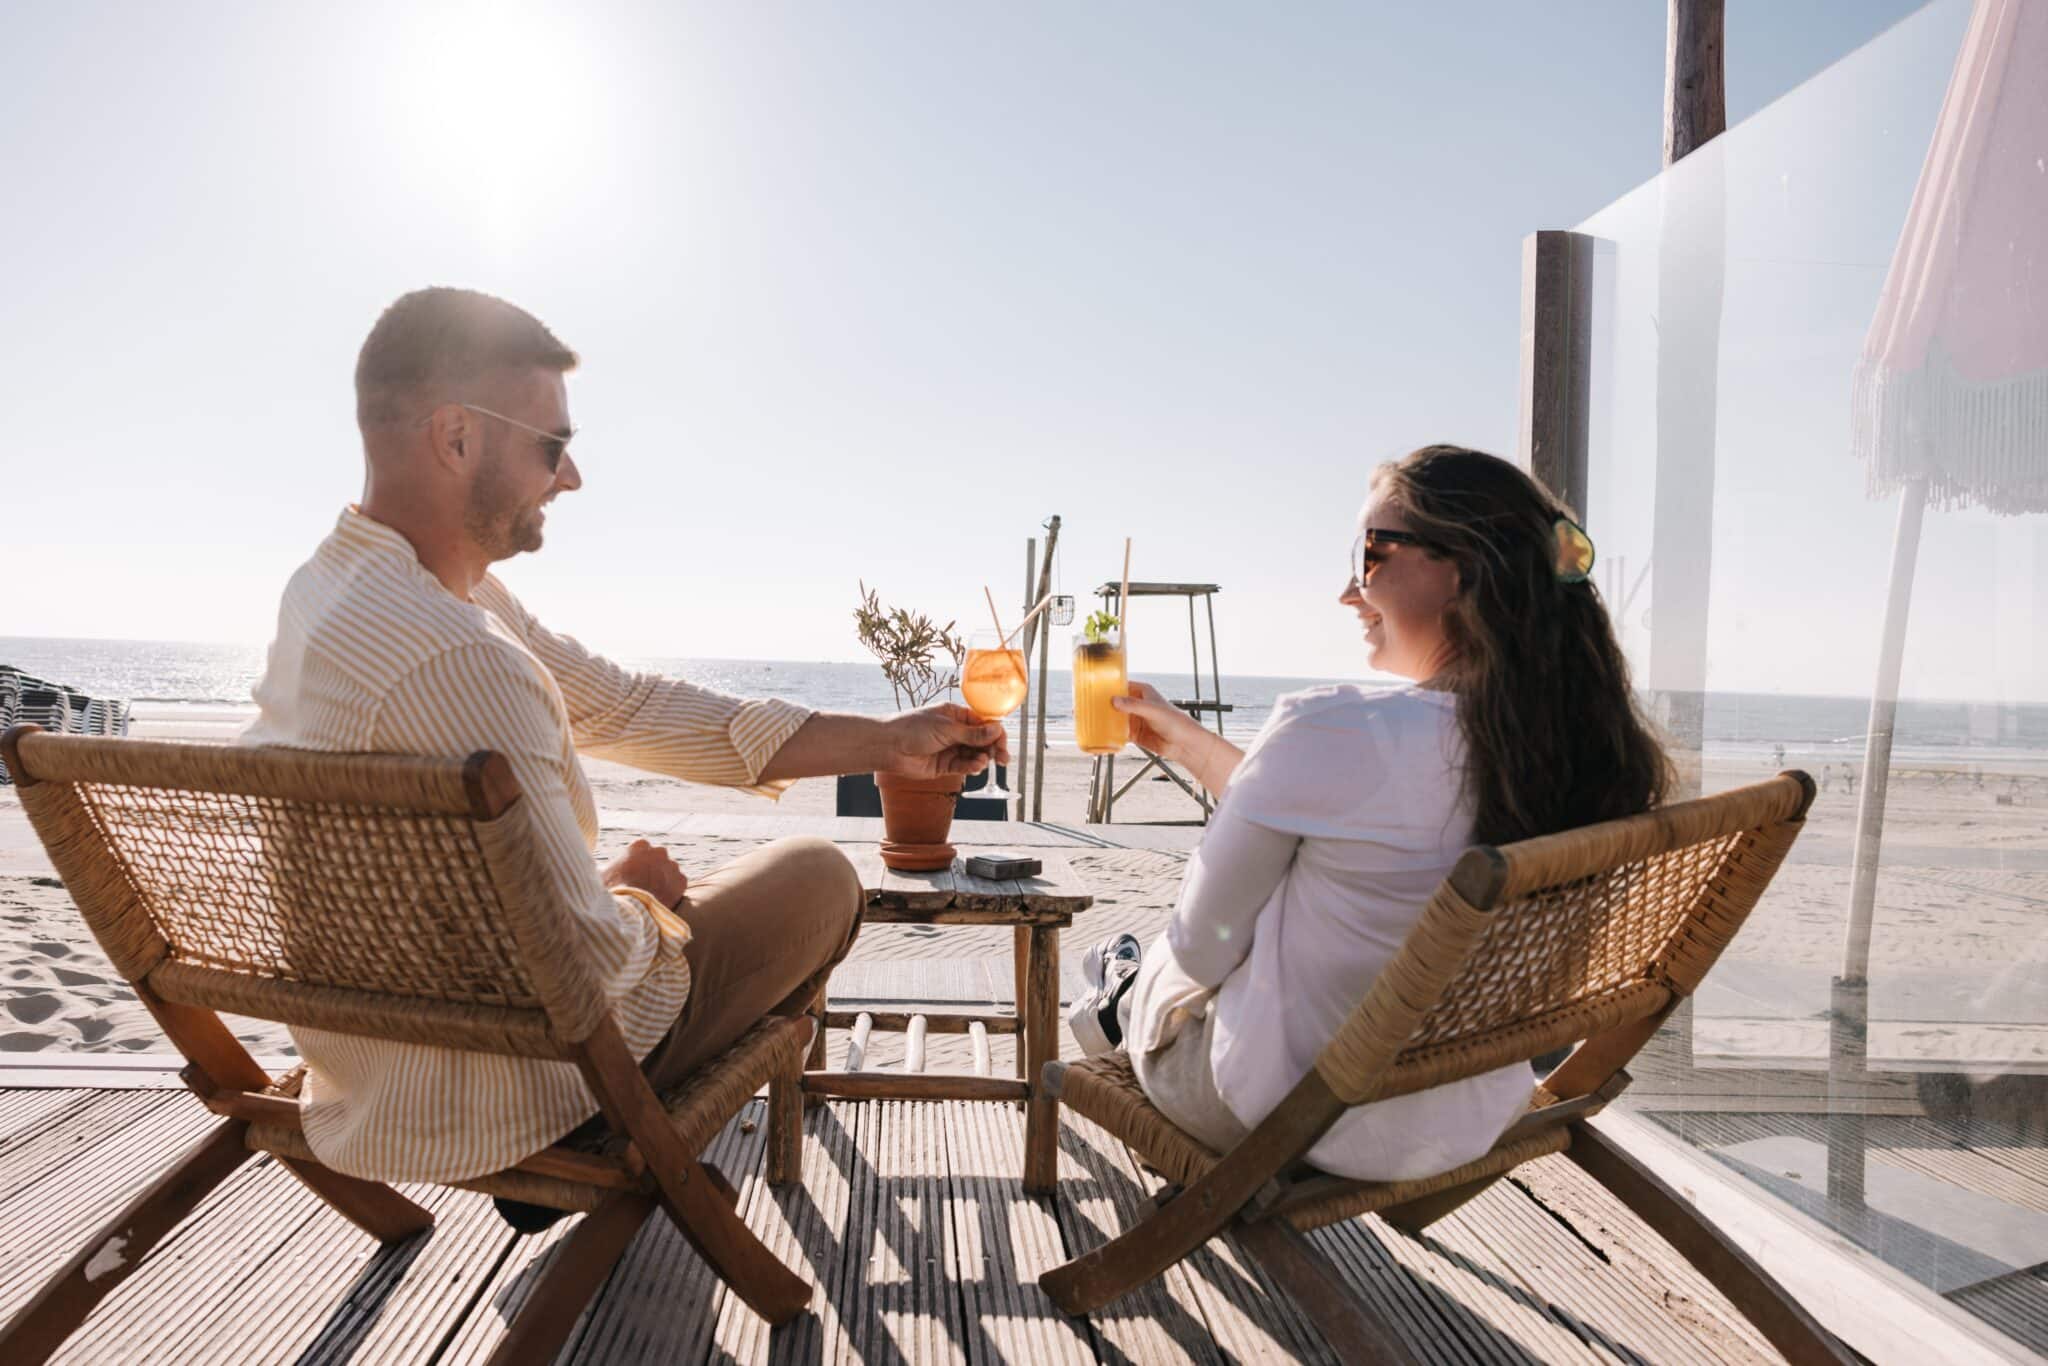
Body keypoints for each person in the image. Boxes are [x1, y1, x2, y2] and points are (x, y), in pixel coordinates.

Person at [243, 287, 1006, 1227]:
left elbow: (620, 704)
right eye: (552, 447)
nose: (570, 480)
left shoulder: (336, 593)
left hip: (375, 1064)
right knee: (820, 874)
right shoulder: (463, 653)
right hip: (527, 1085)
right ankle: (635, 1138)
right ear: (455, 440)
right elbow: (594, 965)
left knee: (693, 885)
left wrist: (889, 743)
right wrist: (638, 891)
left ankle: (643, 1128)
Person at [1072, 445, 1671, 1183]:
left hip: (1284, 1112)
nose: (1348, 593)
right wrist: (1199, 751)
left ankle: (1113, 998)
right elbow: (1380, 823)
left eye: (1369, 557)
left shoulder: (1333, 728)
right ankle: (1116, 989)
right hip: (1458, 1121)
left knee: (1146, 960)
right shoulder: (1583, 755)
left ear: (1459, 570)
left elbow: (1201, 949)